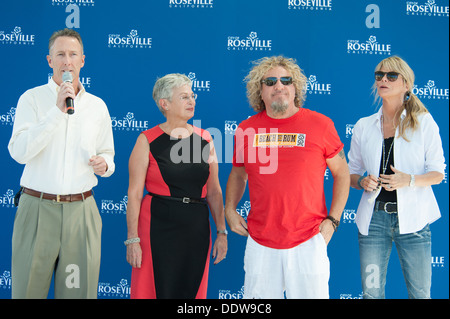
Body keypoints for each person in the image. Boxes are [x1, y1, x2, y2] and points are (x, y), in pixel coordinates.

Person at [225, 56, 350, 299]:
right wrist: (229, 209)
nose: (279, 86)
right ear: (259, 91)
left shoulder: (321, 125)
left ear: (295, 88)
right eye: (270, 81)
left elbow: (342, 173)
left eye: (286, 80)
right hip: (261, 242)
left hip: (308, 239)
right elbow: (239, 174)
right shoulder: (245, 129)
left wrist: (333, 221)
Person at [8, 28, 115, 299]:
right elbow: (19, 152)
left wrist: (105, 164)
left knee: (78, 293)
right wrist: (55, 112)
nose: (67, 61)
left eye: (73, 54)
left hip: (81, 212)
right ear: (49, 60)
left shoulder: (97, 106)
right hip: (37, 210)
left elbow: (108, 153)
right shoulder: (31, 99)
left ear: (82, 60)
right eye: (60, 54)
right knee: (28, 292)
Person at [347, 56, 445, 299]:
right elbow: (351, 173)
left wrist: (408, 180)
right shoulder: (363, 125)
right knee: (371, 294)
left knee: (420, 294)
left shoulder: (424, 122)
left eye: (391, 76)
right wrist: (361, 181)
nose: (383, 80)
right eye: (379, 75)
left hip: (413, 220)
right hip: (374, 220)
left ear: (406, 84)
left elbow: (438, 173)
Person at [125, 73, 227, 299]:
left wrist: (222, 231)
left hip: (196, 229)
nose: (192, 101)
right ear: (165, 104)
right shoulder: (147, 140)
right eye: (184, 97)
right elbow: (133, 194)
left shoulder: (206, 138)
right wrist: (133, 239)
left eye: (192, 96)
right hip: (156, 229)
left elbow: (214, 191)